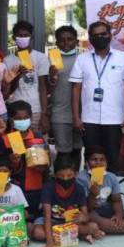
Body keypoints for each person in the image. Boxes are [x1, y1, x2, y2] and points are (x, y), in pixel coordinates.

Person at [70, 21, 124, 172]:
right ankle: (93, 193)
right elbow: (76, 88)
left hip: (114, 119)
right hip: (89, 119)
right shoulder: (82, 59)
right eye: (95, 35)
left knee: (112, 159)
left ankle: (110, 193)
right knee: (91, 159)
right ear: (90, 38)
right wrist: (76, 118)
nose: (99, 37)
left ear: (110, 35)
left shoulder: (123, 58)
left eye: (103, 34)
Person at [32, 156, 104, 247]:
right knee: (37, 233)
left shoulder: (79, 188)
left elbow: (86, 215)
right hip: (52, 222)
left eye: (69, 176)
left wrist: (83, 217)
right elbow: (47, 217)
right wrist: (49, 242)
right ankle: (73, 236)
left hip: (70, 223)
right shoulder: (48, 187)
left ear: (76, 174)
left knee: (94, 227)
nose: (65, 179)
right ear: (55, 175)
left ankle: (66, 235)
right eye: (61, 176)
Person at [77, 147, 124, 239]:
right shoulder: (81, 178)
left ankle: (111, 226)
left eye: (102, 160)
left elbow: (117, 200)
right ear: (87, 163)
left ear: (106, 163)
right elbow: (86, 208)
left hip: (105, 207)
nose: (98, 163)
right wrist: (93, 194)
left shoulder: (111, 177)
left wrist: (118, 215)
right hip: (91, 210)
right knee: (101, 222)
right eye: (94, 160)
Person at [0, 100, 47, 220]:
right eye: (18, 118)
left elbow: (46, 166)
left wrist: (42, 167)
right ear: (11, 120)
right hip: (13, 189)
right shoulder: (5, 139)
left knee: (32, 219)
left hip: (35, 187)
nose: (22, 121)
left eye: (25, 117)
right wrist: (11, 161)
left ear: (31, 117)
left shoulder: (38, 137)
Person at [4, 21, 50, 133]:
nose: (23, 38)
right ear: (14, 38)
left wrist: (44, 114)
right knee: (16, 145)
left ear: (31, 37)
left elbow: (43, 87)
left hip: (35, 110)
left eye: (26, 35)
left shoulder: (40, 58)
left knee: (37, 145)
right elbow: (7, 91)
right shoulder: (7, 60)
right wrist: (18, 76)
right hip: (15, 110)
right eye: (19, 35)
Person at [48, 25, 82, 169]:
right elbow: (47, 88)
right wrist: (51, 77)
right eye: (62, 40)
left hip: (82, 114)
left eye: (70, 39)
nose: (66, 43)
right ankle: (61, 183)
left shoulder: (83, 58)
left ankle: (76, 185)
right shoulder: (51, 59)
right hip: (60, 113)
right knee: (63, 152)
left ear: (77, 41)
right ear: (56, 43)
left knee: (77, 149)